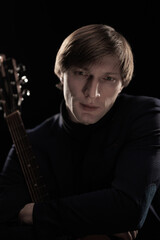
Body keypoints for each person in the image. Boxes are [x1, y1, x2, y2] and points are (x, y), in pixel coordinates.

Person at [0, 24, 160, 240]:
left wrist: (35, 213)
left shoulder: (146, 116)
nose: (91, 92)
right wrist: (98, 225)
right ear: (61, 75)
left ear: (122, 84)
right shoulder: (29, 144)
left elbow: (130, 208)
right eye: (81, 73)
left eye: (108, 78)